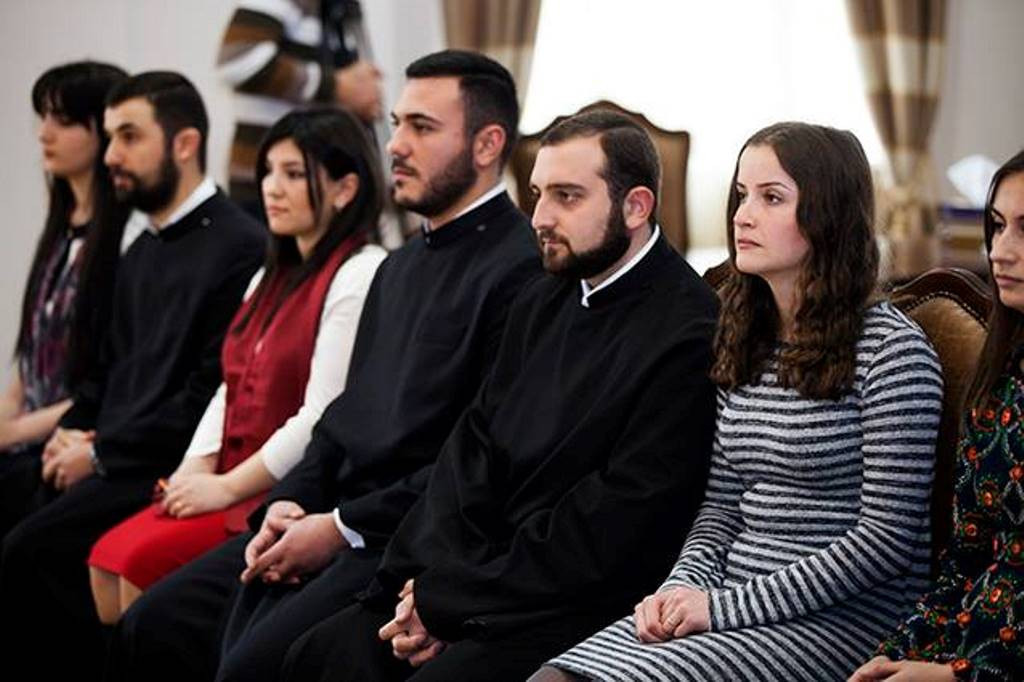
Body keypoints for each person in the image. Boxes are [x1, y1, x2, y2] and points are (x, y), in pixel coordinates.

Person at [107, 50, 541, 682]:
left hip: (403, 539)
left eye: (422, 127)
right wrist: (287, 502)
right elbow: (341, 420)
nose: (395, 145)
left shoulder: (523, 270)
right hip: (328, 516)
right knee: (156, 622)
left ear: (487, 144)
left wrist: (339, 527)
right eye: (396, 123)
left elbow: (474, 460)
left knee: (256, 666)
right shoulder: (398, 266)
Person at [279, 108, 719, 682]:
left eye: (566, 197)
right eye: (537, 194)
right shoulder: (542, 297)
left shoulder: (689, 331)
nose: (540, 218)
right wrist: (421, 583)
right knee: (315, 656)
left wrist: (455, 599)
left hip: (571, 599)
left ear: (636, 207)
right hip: (470, 577)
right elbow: (471, 451)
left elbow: (613, 526)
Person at [536, 122, 945, 682]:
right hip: (732, 601)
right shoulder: (747, 336)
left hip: (845, 620)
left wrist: (722, 609)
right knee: (554, 676)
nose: (742, 216)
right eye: (741, 194)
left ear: (828, 215)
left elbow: (885, 543)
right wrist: (680, 587)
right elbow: (723, 507)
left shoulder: (893, 352)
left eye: (771, 198)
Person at [0, 71, 265, 681]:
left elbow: (205, 397)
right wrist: (70, 431)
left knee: (30, 551)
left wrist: (98, 453)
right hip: (113, 454)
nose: (111, 156)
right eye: (111, 136)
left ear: (184, 144)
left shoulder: (241, 246)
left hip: (163, 467)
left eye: (129, 137)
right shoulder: (142, 250)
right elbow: (104, 376)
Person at [87, 106, 388, 622]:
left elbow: (320, 416)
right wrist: (193, 469)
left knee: (140, 574)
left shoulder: (360, 272)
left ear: (345, 189)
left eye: (294, 174)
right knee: (105, 559)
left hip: (280, 493)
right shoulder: (270, 274)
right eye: (268, 171)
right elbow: (229, 384)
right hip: (229, 477)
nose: (272, 188)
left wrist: (225, 488)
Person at [848, 149, 1024, 682]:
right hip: (966, 641)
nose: (1001, 250)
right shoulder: (1003, 375)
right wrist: (899, 653)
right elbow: (966, 556)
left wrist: (957, 676)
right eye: (997, 226)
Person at [0, 61, 128, 490]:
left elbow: (109, 379)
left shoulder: (126, 240)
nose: (44, 134)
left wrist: (15, 431)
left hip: (72, 441)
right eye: (43, 118)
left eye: (64, 120)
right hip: (31, 433)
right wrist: (8, 417)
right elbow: (32, 351)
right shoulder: (61, 227)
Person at [217, 0, 382, 215]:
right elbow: (237, 58)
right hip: (270, 184)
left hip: (313, 183)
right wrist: (335, 86)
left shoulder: (332, 9)